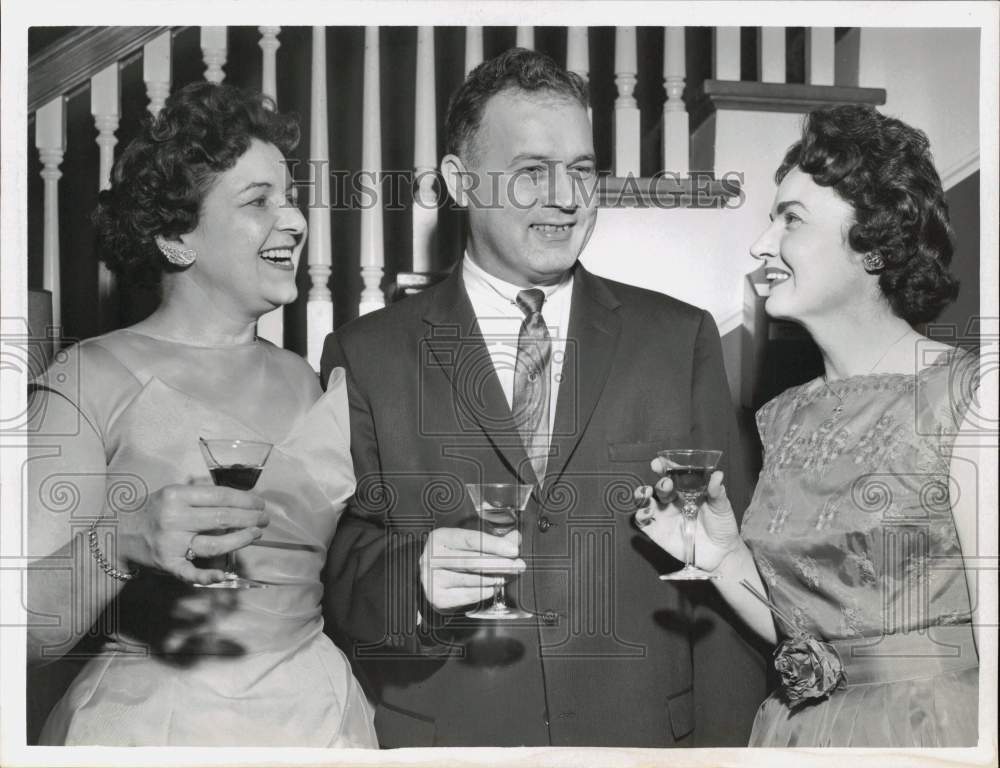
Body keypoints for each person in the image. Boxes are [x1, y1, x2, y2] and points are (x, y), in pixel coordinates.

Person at [320, 48, 764, 748]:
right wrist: (417, 579)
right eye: (531, 172)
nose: (565, 197)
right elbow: (339, 573)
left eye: (582, 170)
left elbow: (728, 583)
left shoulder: (679, 340)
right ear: (460, 183)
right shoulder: (365, 355)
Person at [26, 82, 377, 747]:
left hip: (322, 727)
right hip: (155, 732)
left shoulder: (307, 379)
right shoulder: (86, 379)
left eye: (292, 197)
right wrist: (117, 543)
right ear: (175, 236)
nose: (296, 220)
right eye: (258, 201)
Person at [634, 104, 981, 747]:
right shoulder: (787, 415)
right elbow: (808, 634)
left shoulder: (971, 396)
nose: (762, 244)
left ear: (874, 244)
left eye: (791, 220)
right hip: (799, 735)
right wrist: (720, 556)